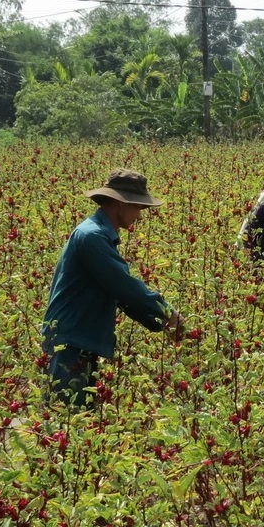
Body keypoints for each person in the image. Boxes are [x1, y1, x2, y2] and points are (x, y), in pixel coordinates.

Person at [41, 169, 185, 409]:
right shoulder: (92, 237)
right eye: (138, 207)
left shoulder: (98, 234)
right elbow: (123, 285)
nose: (139, 216)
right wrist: (167, 312)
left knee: (78, 414)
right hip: (71, 338)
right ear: (119, 204)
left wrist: (160, 323)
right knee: (65, 415)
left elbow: (118, 292)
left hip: (79, 336)